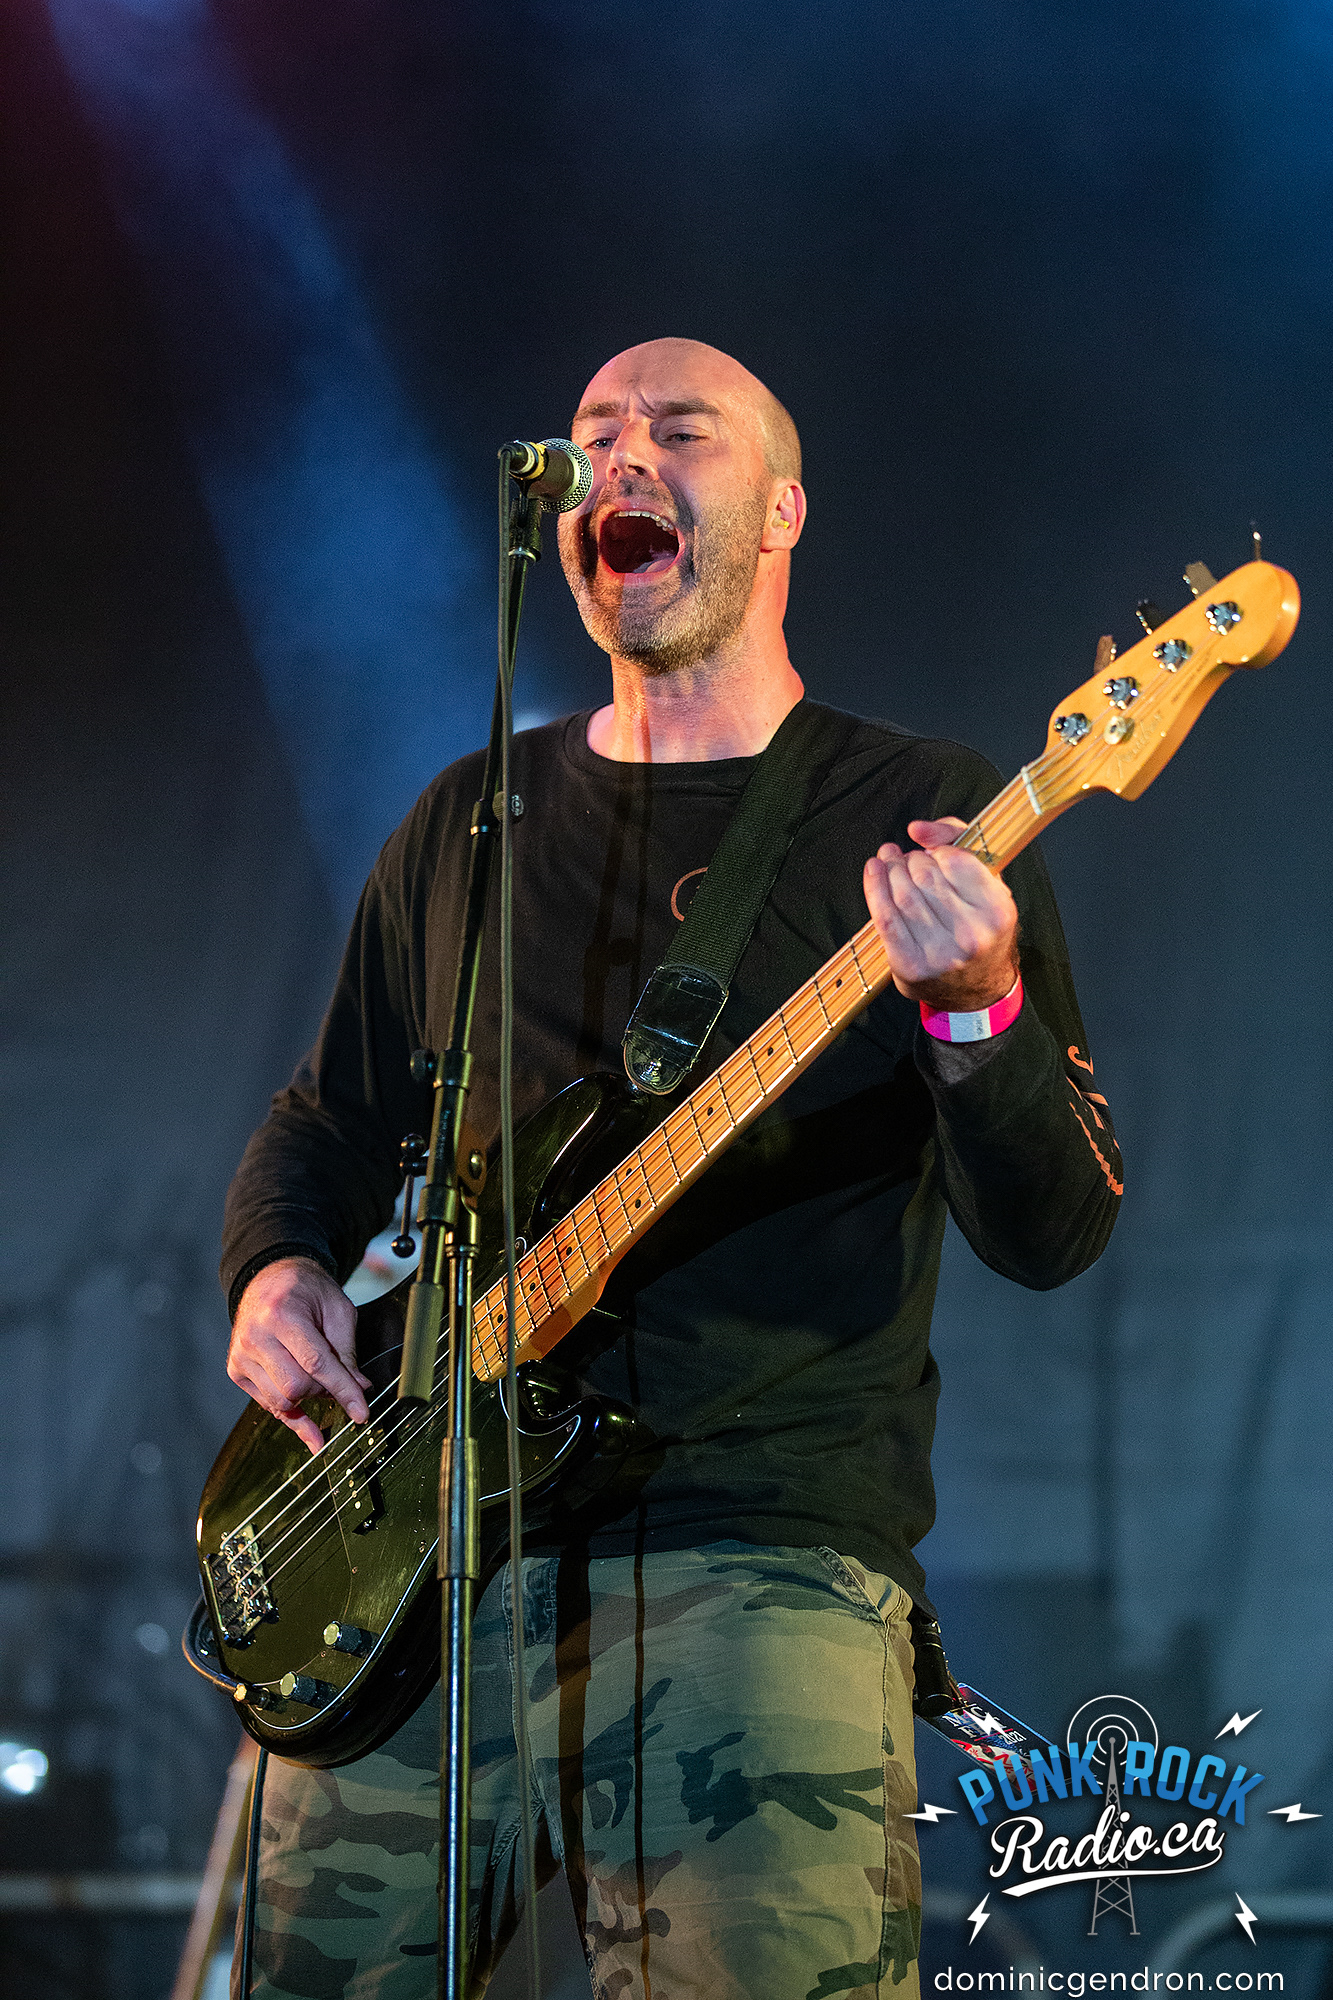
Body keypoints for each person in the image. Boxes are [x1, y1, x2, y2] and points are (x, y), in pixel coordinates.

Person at [221, 338, 1122, 1999]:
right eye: (594, 433)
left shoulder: (923, 809)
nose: (620, 459)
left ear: (780, 511)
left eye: (679, 430)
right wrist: (275, 1267)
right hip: (427, 1565)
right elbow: (328, 1122)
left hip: (756, 1558)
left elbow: (1053, 1226)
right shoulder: (472, 818)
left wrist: (972, 1003)